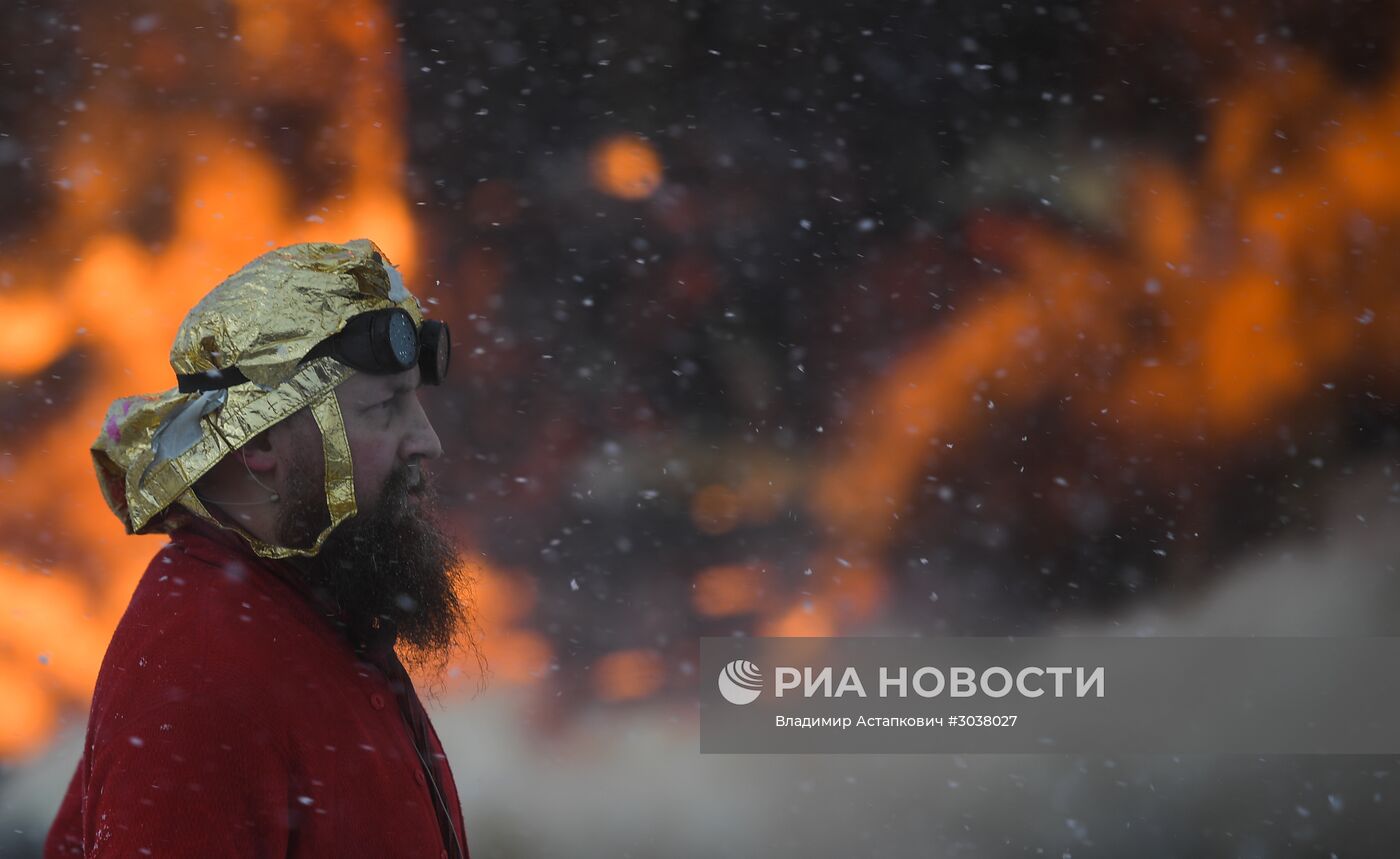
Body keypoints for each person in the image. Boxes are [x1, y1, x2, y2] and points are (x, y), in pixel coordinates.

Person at [44, 239, 472, 858]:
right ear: (260, 441)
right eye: (384, 407)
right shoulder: (203, 673)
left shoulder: (312, 612)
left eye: (414, 401)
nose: (426, 442)